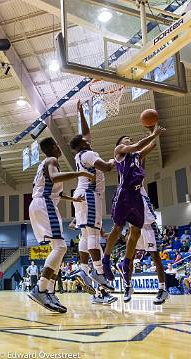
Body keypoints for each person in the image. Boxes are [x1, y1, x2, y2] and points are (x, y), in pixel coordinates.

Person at [28, 137, 94, 313]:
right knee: (61, 247)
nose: (59, 148)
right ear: (53, 147)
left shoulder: (45, 163)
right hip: (44, 204)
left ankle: (49, 291)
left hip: (43, 204)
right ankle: (41, 289)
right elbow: (54, 177)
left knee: (57, 248)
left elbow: (54, 189)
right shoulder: (52, 160)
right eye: (57, 145)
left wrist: (72, 198)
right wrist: (80, 173)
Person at [102, 124, 166, 286]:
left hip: (136, 195)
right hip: (124, 194)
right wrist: (153, 134)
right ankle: (106, 259)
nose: (128, 140)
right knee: (117, 227)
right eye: (125, 139)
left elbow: (150, 146)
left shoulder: (137, 156)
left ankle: (125, 262)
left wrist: (153, 132)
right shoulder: (120, 151)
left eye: (129, 139)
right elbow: (137, 145)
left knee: (135, 231)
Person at [70, 100, 116, 303]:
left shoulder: (81, 153)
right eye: (85, 140)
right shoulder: (88, 153)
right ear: (82, 144)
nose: (89, 139)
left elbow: (86, 132)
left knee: (84, 236)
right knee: (93, 236)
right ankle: (97, 272)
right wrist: (117, 159)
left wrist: (81, 113)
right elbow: (106, 167)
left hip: (81, 195)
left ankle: (89, 278)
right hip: (89, 195)